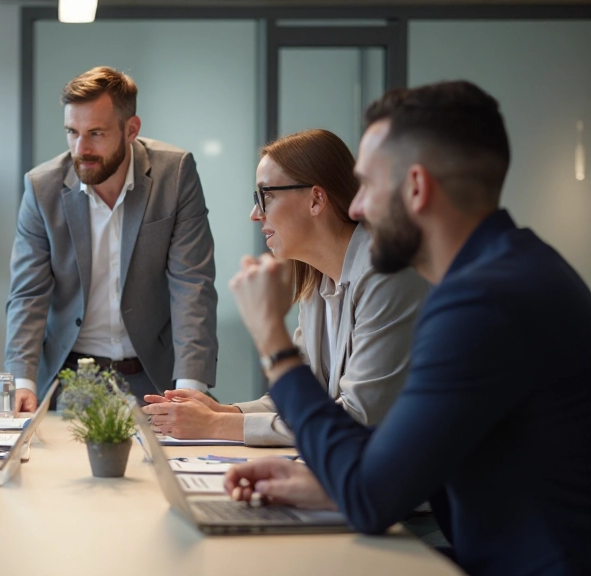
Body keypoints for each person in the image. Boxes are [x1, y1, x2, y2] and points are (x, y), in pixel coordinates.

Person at [225, 81, 591, 576]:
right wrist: (320, 483)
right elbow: (399, 471)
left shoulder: (479, 304)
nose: (355, 208)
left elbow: (370, 498)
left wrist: (272, 338)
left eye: (369, 186)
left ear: (416, 188)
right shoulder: (510, 270)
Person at [142, 129, 428, 446]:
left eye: (266, 196)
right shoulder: (317, 278)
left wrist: (217, 425)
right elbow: (304, 396)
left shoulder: (385, 272)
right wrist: (228, 411)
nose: (255, 214)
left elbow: (357, 416)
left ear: (316, 199)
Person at [5, 66, 219, 411]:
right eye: (72, 132)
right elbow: (28, 293)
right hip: (71, 375)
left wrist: (190, 387)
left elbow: (192, 284)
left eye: (96, 134)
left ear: (131, 129)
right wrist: (22, 382)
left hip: (151, 374)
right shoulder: (41, 187)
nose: (81, 148)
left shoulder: (174, 174)